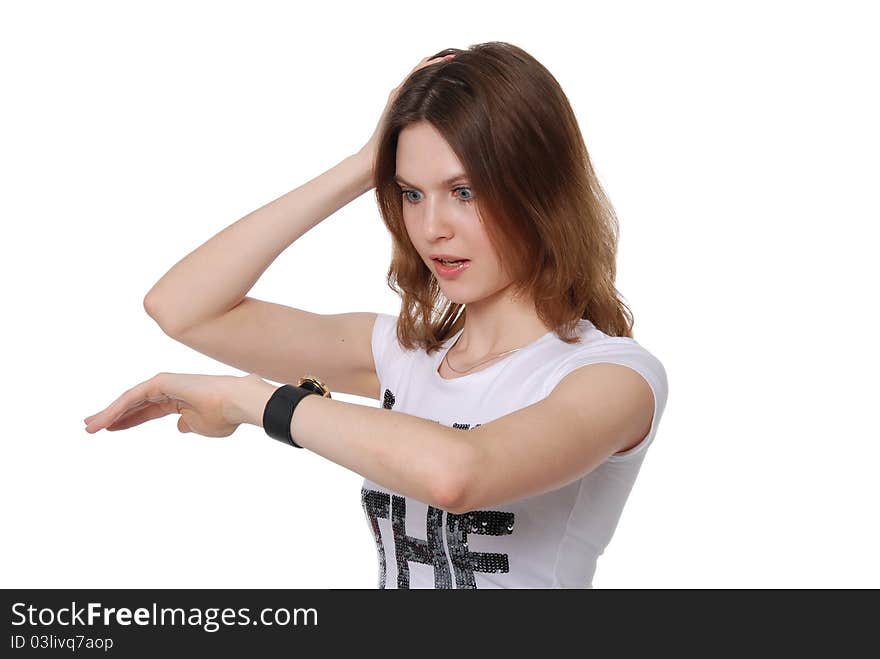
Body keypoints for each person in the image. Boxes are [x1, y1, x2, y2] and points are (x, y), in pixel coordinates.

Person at [83, 41, 668, 589]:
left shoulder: (614, 378)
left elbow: (459, 476)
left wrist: (253, 402)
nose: (432, 226)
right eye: (412, 193)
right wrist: (365, 163)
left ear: (539, 190)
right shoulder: (401, 356)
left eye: (463, 191)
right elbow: (181, 307)